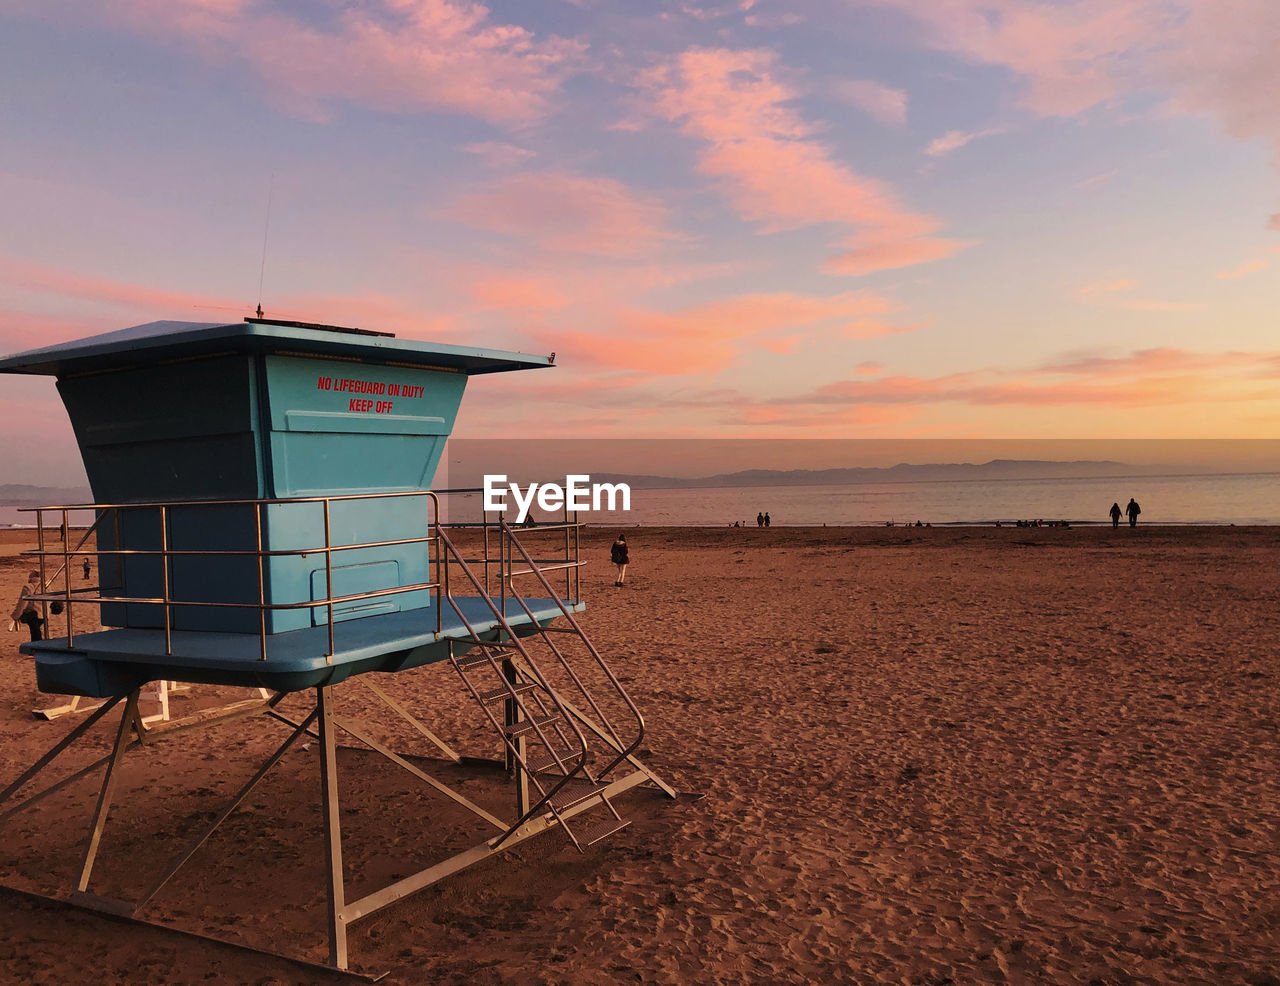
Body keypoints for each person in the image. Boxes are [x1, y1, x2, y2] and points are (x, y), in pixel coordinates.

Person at [10, 570, 46, 642]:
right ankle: (36, 646)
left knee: (35, 631)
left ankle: (36, 647)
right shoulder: (46, 586)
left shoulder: (28, 587)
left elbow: (22, 604)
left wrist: (16, 616)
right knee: (36, 630)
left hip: (33, 614)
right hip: (44, 614)